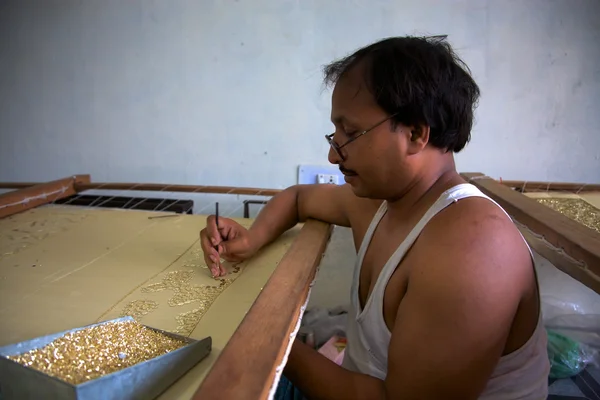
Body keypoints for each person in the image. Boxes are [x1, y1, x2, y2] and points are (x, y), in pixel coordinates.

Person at [200, 36, 550, 399]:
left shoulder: (472, 247)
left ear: (415, 133)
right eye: (335, 132)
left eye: (350, 133)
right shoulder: (382, 202)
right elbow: (300, 198)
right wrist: (252, 237)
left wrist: (270, 337)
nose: (334, 156)